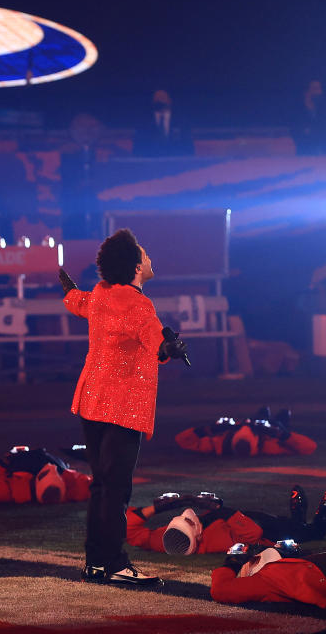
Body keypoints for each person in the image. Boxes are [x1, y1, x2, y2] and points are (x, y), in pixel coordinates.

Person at [59, 228, 190, 587]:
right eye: (144, 256)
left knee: (102, 487)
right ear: (135, 267)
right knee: (116, 490)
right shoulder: (139, 304)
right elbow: (154, 337)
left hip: (91, 401)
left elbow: (79, 302)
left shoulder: (101, 295)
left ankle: (96, 563)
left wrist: (69, 289)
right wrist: (169, 348)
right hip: (122, 408)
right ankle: (113, 563)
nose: (149, 260)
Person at [127, 486, 326, 555]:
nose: (186, 514)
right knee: (274, 527)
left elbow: (125, 526)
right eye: (188, 521)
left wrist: (155, 508)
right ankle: (316, 524)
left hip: (243, 523)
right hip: (262, 532)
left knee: (265, 521)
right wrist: (220, 510)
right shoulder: (217, 538)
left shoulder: (162, 540)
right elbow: (253, 532)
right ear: (197, 535)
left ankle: (297, 519)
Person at [0, 445, 91, 504]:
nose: (50, 468)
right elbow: (95, 484)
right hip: (52, 465)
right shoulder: (75, 487)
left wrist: (3, 462)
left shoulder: (8, 490)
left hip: (18, 468)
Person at [175, 407, 317, 457]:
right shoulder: (269, 446)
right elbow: (309, 447)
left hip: (230, 433)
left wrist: (209, 429)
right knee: (279, 418)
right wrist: (281, 434)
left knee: (265, 413)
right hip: (268, 431)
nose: (246, 428)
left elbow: (182, 440)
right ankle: (278, 418)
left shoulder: (218, 442)